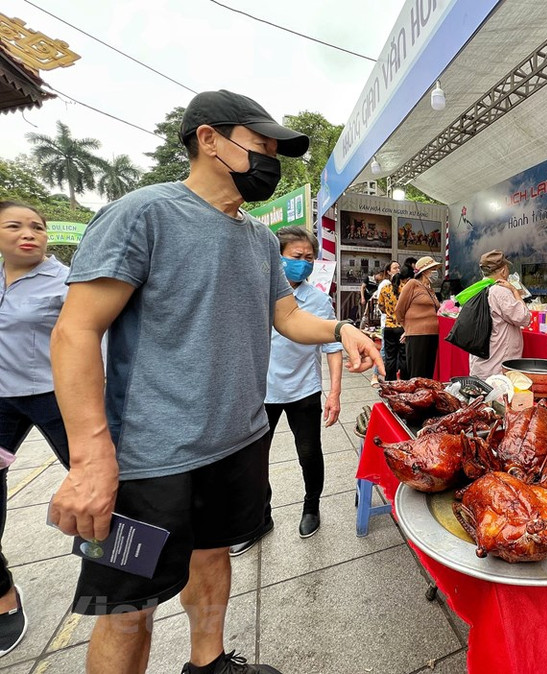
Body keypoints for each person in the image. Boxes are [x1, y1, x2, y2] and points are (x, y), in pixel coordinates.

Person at [47, 89, 382, 674]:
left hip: (237, 443)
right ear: (208, 139)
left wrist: (340, 328)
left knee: (213, 557)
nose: (272, 161)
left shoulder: (258, 239)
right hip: (148, 463)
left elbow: (286, 315)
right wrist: (91, 456)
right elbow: (75, 333)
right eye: (261, 146)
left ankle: (209, 662)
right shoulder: (143, 214)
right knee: (124, 607)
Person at [229, 226, 343, 557]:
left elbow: (333, 348)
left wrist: (333, 393)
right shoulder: (256, 293)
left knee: (308, 453)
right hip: (261, 392)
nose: (304, 264)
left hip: (303, 390)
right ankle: (260, 518)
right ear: (278, 257)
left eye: (310, 258)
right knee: (254, 458)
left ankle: (311, 507)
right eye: (297, 257)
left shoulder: (318, 301)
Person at [0, 201, 71, 657]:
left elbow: (93, 335)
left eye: (38, 227)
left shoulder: (65, 281)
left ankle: (123, 562)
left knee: (97, 474)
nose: (29, 233)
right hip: (2, 399)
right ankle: (3, 591)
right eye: (14, 226)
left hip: (55, 395)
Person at [469, 250, 531, 380]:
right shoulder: (501, 290)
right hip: (497, 364)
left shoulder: (477, 288)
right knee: (496, 396)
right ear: (503, 271)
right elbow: (523, 318)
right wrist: (515, 292)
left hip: (482, 359)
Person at [395, 256, 441, 379]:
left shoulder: (430, 289)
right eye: (433, 269)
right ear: (425, 271)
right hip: (418, 335)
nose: (436, 272)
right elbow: (399, 310)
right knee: (418, 372)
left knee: (429, 372)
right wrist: (407, 328)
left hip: (433, 334)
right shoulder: (413, 284)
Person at [378, 263, 414, 381]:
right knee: (404, 357)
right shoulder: (406, 289)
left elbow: (381, 306)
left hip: (389, 327)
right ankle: (404, 383)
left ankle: (390, 382)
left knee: (390, 357)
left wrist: (389, 313)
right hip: (402, 328)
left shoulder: (384, 289)